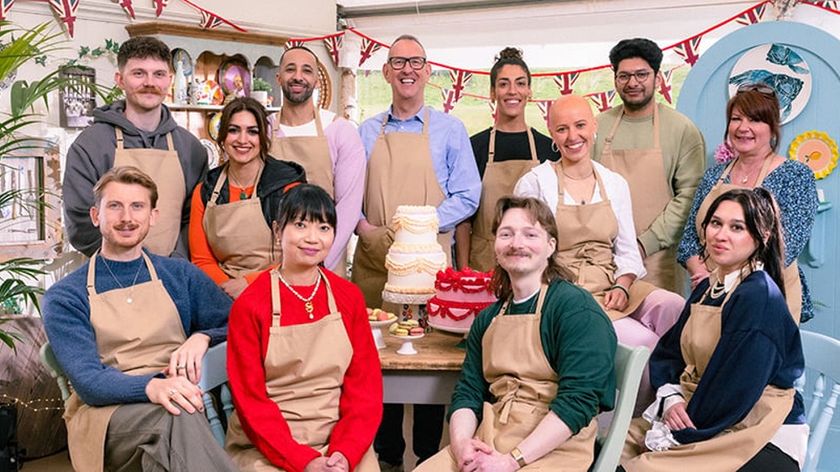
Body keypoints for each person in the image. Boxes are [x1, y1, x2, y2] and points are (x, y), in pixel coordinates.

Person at [42, 166, 236, 472]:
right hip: (107, 416)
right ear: (95, 216)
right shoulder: (65, 296)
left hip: (176, 400)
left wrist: (204, 336)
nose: (127, 218)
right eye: (114, 206)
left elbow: (238, 322)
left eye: (137, 206)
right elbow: (89, 382)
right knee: (178, 413)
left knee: (166, 447)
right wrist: (153, 387)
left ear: (153, 216)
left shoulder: (179, 275)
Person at [354, 34, 481, 471]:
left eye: (416, 62)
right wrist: (367, 230)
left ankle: (428, 457)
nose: (407, 70)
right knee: (375, 365)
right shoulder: (366, 131)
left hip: (429, 265)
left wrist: (420, 224)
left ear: (428, 72)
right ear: (386, 72)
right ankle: (387, 458)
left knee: (432, 361)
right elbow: (349, 196)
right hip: (375, 262)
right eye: (398, 62)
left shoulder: (450, 129)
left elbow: (468, 195)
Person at [416, 196, 616, 472]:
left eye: (530, 234)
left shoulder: (575, 309)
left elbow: (577, 402)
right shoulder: (488, 319)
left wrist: (511, 461)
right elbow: (468, 392)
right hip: (490, 437)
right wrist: (463, 447)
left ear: (551, 246)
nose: (516, 243)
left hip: (554, 446)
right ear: (496, 247)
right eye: (506, 234)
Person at [515, 95, 684, 407]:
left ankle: (673, 401)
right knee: (645, 343)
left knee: (674, 306)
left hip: (611, 284)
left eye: (580, 125)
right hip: (566, 292)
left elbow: (628, 250)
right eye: (562, 129)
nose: (573, 136)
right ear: (552, 134)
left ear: (594, 126)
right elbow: (524, 256)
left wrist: (623, 285)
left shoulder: (614, 183)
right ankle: (634, 424)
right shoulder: (536, 182)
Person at [621, 188, 807, 472]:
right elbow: (670, 351)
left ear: (762, 235)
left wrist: (675, 436)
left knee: (641, 467)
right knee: (610, 447)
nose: (721, 235)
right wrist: (671, 397)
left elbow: (734, 391)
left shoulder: (758, 297)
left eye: (737, 227)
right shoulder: (710, 287)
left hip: (755, 427)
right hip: (699, 408)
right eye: (716, 223)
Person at [225, 184, 382, 472]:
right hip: (268, 446)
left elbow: (365, 389)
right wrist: (303, 460)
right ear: (278, 231)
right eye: (300, 225)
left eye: (324, 228)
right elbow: (250, 401)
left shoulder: (349, 297)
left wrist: (344, 453)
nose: (312, 238)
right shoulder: (250, 305)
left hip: (339, 441)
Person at [677, 86, 818, 323]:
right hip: (711, 292)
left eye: (755, 120)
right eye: (736, 119)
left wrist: (730, 281)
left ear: (773, 127)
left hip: (766, 292)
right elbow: (690, 239)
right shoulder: (713, 176)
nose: (743, 127)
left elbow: (786, 247)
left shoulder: (795, 175)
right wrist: (703, 276)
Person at [64, 36, 208, 259]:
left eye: (158, 74)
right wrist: (128, 262)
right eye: (139, 73)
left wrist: (175, 264)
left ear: (169, 80)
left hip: (173, 272)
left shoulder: (191, 148)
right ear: (120, 80)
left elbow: (195, 218)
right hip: (111, 271)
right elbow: (80, 220)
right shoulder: (90, 145)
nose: (149, 82)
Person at [592, 38, 706, 295]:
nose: (632, 83)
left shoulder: (681, 129)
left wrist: (644, 244)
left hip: (658, 259)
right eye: (624, 76)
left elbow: (690, 196)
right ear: (615, 80)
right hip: (604, 257)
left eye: (641, 74)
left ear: (658, 78)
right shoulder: (598, 126)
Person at [189, 97, 306, 299]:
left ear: (263, 138)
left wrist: (249, 284)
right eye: (234, 130)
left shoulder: (288, 187)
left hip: (282, 288)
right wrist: (228, 291)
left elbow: (301, 253)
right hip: (223, 293)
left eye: (252, 131)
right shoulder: (204, 192)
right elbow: (202, 260)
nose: (242, 140)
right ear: (222, 136)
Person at [455, 47, 558, 272]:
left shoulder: (548, 149)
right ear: (492, 92)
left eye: (520, 83)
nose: (513, 91)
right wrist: (464, 271)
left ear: (529, 91)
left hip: (534, 267)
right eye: (503, 84)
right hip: (484, 264)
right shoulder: (474, 147)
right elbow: (463, 218)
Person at [269, 46, 366, 276]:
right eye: (290, 69)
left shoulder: (340, 131)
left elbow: (349, 207)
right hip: (271, 260)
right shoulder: (264, 129)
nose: (298, 76)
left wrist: (318, 259)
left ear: (317, 81)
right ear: (278, 77)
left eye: (307, 70)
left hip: (326, 261)